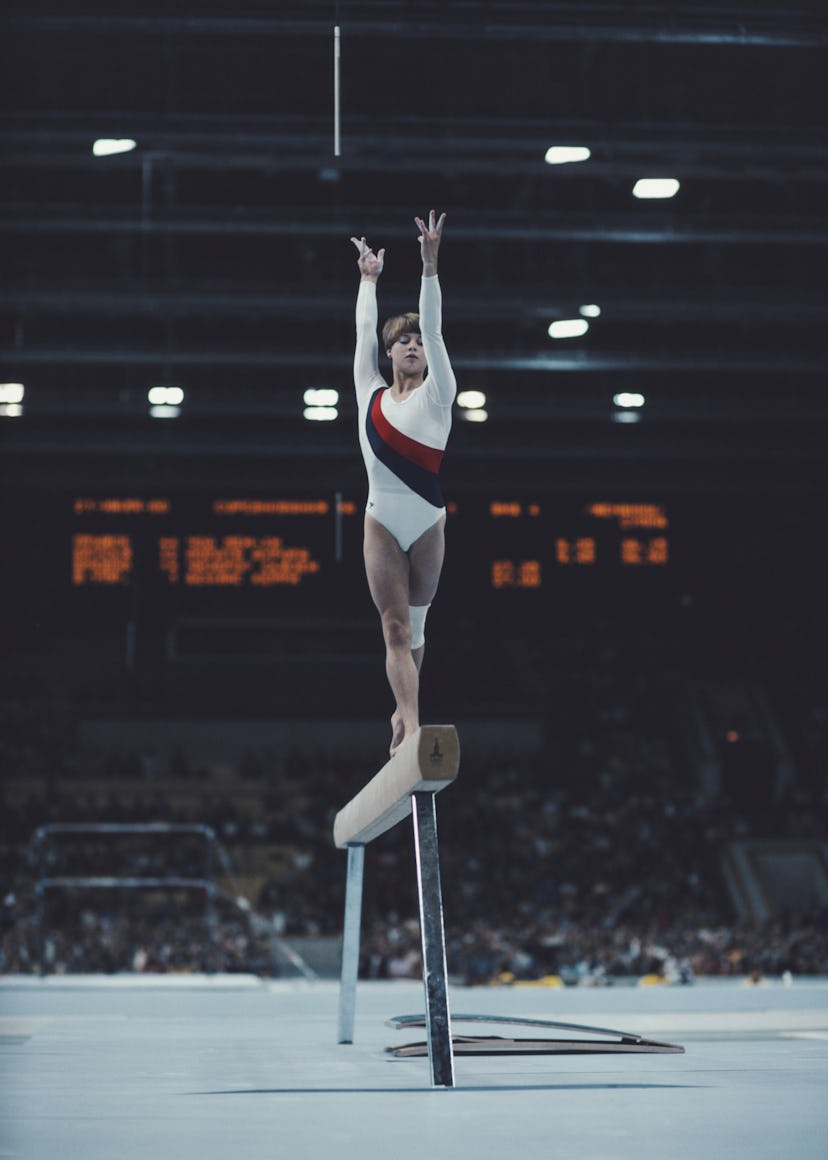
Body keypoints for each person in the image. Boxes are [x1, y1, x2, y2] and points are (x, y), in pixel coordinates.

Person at [350, 210, 457, 756]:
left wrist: (429, 264)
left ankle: (403, 710)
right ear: (390, 353)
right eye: (405, 341)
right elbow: (364, 331)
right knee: (393, 630)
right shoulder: (368, 392)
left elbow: (435, 327)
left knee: (415, 634)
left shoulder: (439, 395)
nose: (414, 345)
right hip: (381, 524)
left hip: (429, 523)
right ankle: (411, 724)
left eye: (418, 341)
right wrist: (368, 281)